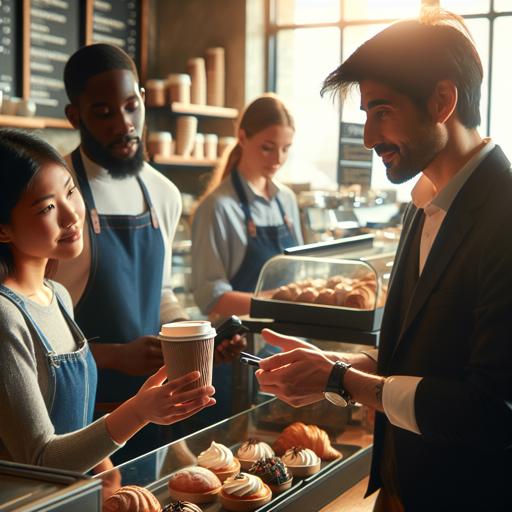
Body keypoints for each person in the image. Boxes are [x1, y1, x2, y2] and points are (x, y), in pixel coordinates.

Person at [256, 9, 512, 512]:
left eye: (382, 111)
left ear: (442, 101)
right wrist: (335, 366)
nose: (369, 136)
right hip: (399, 485)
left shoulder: (504, 214)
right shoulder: (425, 203)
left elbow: (492, 411)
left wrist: (341, 381)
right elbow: (422, 356)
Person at [52, 43, 243, 464]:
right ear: (74, 116)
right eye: (103, 112)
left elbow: (160, 296)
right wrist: (116, 356)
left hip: (154, 410)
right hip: (79, 419)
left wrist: (199, 338)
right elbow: (37, 332)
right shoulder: (56, 197)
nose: (124, 124)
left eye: (131, 105)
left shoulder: (163, 193)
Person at [0, 129, 215, 478]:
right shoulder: (5, 316)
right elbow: (39, 461)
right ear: (3, 230)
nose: (71, 216)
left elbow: (74, 425)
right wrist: (138, 412)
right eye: (48, 207)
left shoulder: (58, 296)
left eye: (71, 192)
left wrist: (107, 472)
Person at [191, 94, 303, 319]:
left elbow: (298, 272)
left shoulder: (287, 199)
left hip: (292, 336)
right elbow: (211, 299)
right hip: (244, 344)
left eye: (286, 148)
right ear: (242, 137)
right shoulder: (217, 208)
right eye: (267, 148)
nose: (278, 159)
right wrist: (280, 301)